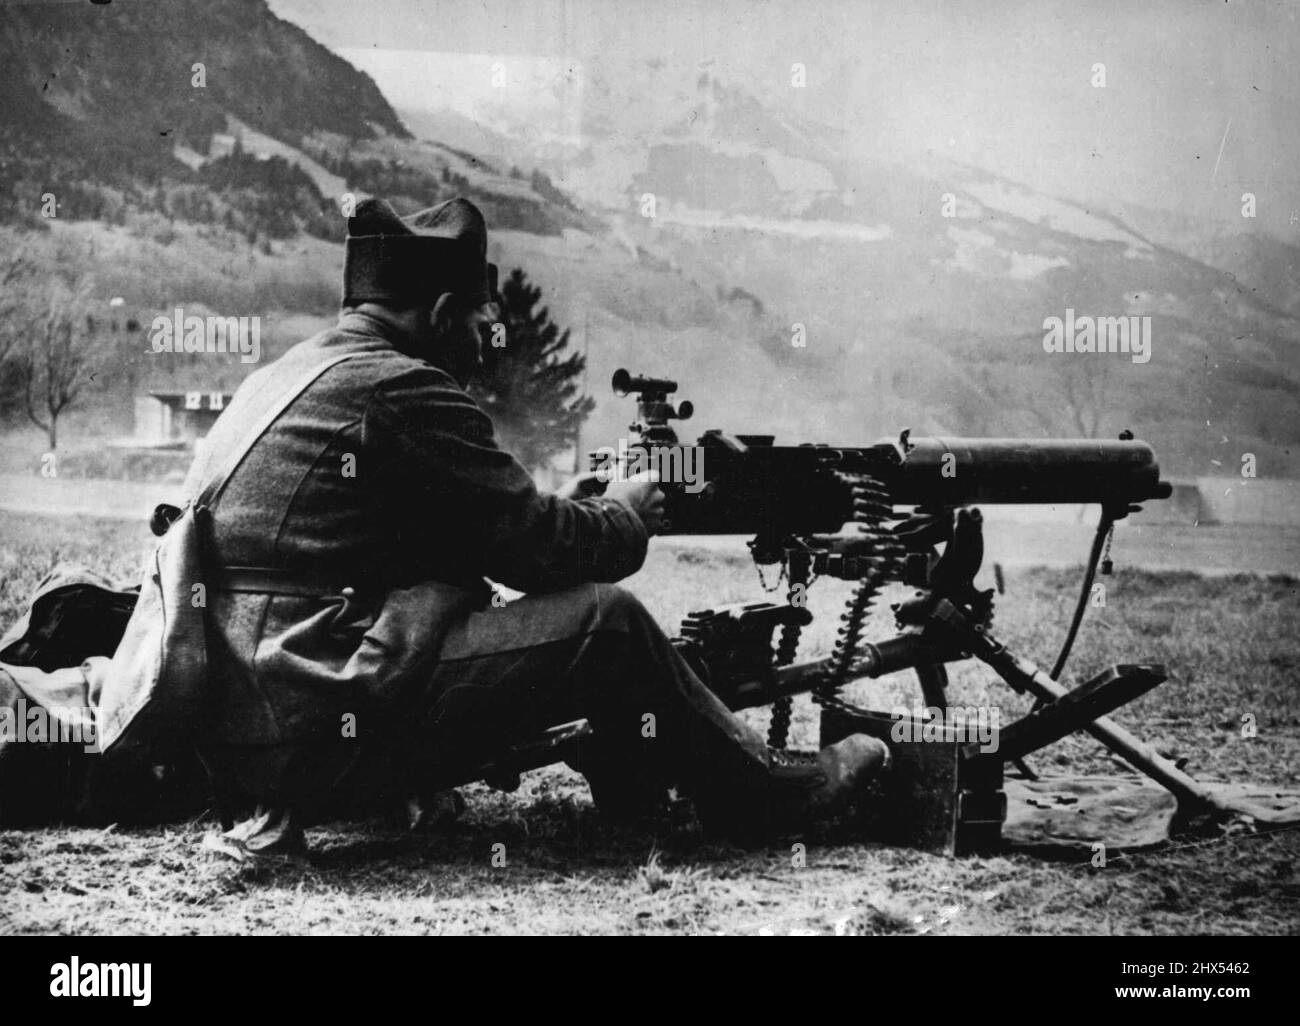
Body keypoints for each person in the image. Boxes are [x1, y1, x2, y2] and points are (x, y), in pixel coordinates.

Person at [188, 197, 890, 853]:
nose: (486, 338)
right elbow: (540, 554)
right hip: (316, 727)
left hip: (242, 736)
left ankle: (658, 775)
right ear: (439, 312)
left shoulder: (290, 375)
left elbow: (419, 534)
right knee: (605, 624)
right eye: (477, 320)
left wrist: (564, 507)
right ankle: (764, 798)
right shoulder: (403, 387)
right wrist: (621, 516)